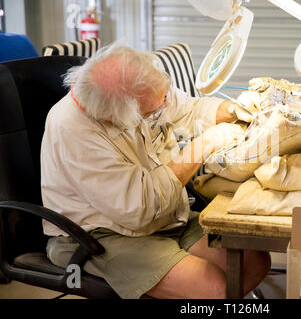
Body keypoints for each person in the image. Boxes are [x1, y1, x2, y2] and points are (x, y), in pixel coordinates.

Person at [41, 42, 269, 299]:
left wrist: (231, 110)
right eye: (154, 109)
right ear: (117, 117)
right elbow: (140, 208)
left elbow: (187, 110)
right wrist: (202, 146)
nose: (166, 104)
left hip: (165, 217)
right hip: (102, 233)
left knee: (253, 261)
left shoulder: (138, 93)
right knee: (214, 289)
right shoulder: (74, 130)